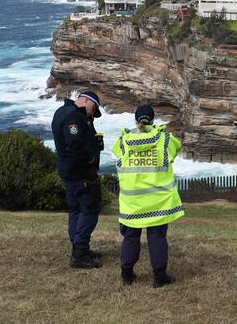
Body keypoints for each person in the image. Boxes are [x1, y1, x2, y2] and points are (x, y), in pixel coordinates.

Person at [112, 105, 184, 288]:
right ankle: (159, 277)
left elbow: (115, 153)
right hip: (158, 201)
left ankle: (127, 275)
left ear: (136, 120)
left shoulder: (123, 141)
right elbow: (176, 150)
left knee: (130, 237)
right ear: (153, 119)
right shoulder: (166, 140)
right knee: (157, 237)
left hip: (132, 202)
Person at [51, 91, 104, 269]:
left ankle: (79, 247)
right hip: (80, 173)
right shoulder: (72, 117)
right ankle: (80, 253)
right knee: (89, 209)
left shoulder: (62, 111)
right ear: (86, 101)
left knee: (76, 209)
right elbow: (74, 144)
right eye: (94, 109)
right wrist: (90, 158)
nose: (92, 114)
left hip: (69, 171)